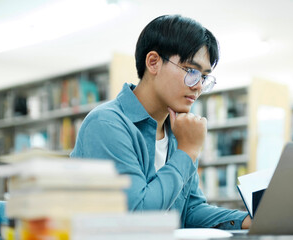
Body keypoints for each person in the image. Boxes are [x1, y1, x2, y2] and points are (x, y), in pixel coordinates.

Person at [71, 14, 251, 229]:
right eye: (191, 71)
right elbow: (136, 217)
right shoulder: (107, 124)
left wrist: (246, 221)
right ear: (153, 62)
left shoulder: (179, 132)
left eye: (204, 77)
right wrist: (186, 151)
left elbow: (190, 210)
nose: (198, 86)